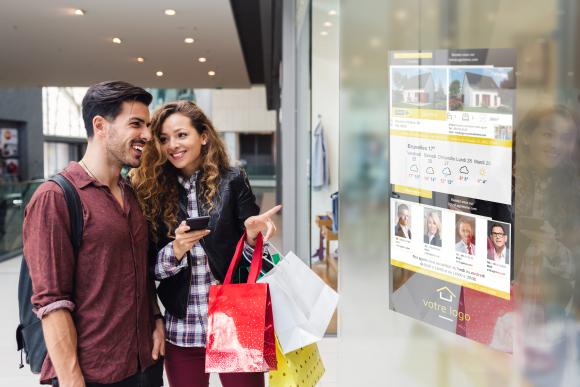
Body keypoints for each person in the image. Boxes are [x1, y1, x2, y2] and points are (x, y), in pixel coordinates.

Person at [22, 81, 165, 386]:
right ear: (100, 125)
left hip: (145, 364)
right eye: (136, 124)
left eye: (148, 126)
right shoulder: (56, 197)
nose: (148, 136)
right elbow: (51, 302)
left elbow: (139, 270)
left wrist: (156, 317)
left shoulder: (131, 193)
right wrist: (73, 380)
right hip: (93, 374)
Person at [131, 100, 280, 387]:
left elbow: (251, 261)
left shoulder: (233, 180)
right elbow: (147, 268)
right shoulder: (150, 188)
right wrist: (176, 250)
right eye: (164, 139)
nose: (173, 145)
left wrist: (250, 236)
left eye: (181, 135)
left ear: (203, 136)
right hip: (181, 325)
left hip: (234, 319)